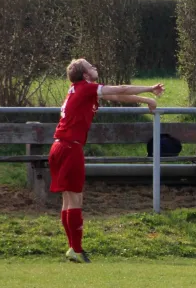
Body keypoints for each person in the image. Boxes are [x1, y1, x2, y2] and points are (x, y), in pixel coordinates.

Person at [49, 58, 164, 263]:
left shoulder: (78, 89)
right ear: (85, 75)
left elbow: (117, 95)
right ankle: (76, 249)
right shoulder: (85, 88)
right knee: (75, 199)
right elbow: (121, 88)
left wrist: (146, 100)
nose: (95, 67)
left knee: (69, 199)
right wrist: (149, 88)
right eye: (90, 66)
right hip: (69, 147)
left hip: (60, 146)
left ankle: (73, 249)